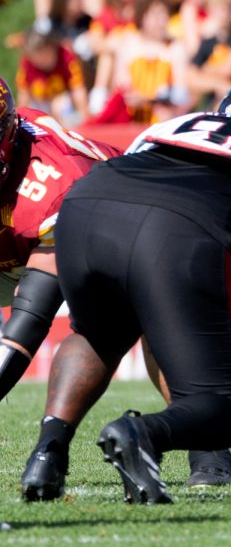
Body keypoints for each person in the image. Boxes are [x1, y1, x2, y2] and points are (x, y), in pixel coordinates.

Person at [19, 75, 231, 504]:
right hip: (184, 225)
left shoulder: (178, 123)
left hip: (86, 202)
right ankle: (142, 434)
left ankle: (47, 452)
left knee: (97, 334)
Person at [0, 78, 122, 428]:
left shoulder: (49, 185)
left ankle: (209, 457)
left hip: (108, 222)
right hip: (21, 240)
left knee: (146, 317)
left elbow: (28, 322)